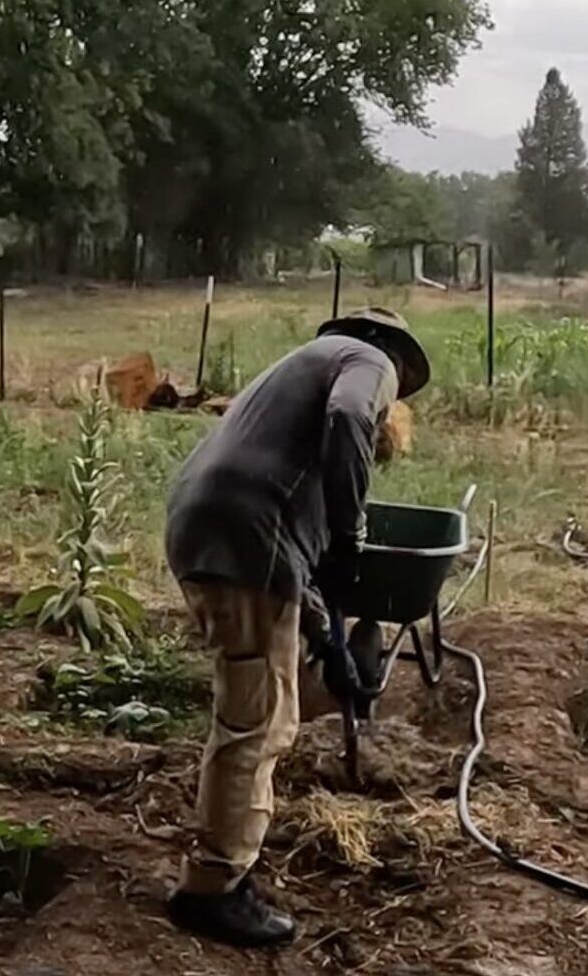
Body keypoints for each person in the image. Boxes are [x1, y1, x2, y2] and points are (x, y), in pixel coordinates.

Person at [160, 307, 427, 950]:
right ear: (389, 349)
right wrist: (351, 533)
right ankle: (215, 887)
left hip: (207, 529)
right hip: (246, 540)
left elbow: (289, 559)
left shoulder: (289, 377)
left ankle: (225, 863)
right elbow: (350, 417)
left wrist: (328, 641)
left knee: (263, 694)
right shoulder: (366, 361)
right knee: (256, 722)